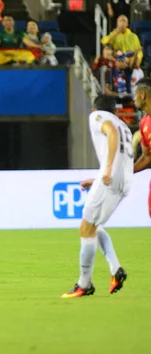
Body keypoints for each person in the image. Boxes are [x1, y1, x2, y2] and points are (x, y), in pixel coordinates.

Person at [61, 95, 131, 298]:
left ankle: (84, 284)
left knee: (85, 228)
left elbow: (109, 131)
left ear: (95, 109)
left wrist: (107, 169)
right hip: (123, 182)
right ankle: (116, 269)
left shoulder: (98, 117)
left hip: (110, 178)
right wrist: (99, 178)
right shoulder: (124, 125)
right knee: (94, 227)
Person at [132, 78, 151, 217]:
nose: (134, 99)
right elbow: (147, 157)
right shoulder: (144, 122)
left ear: (143, 95)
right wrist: (126, 172)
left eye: (135, 94)